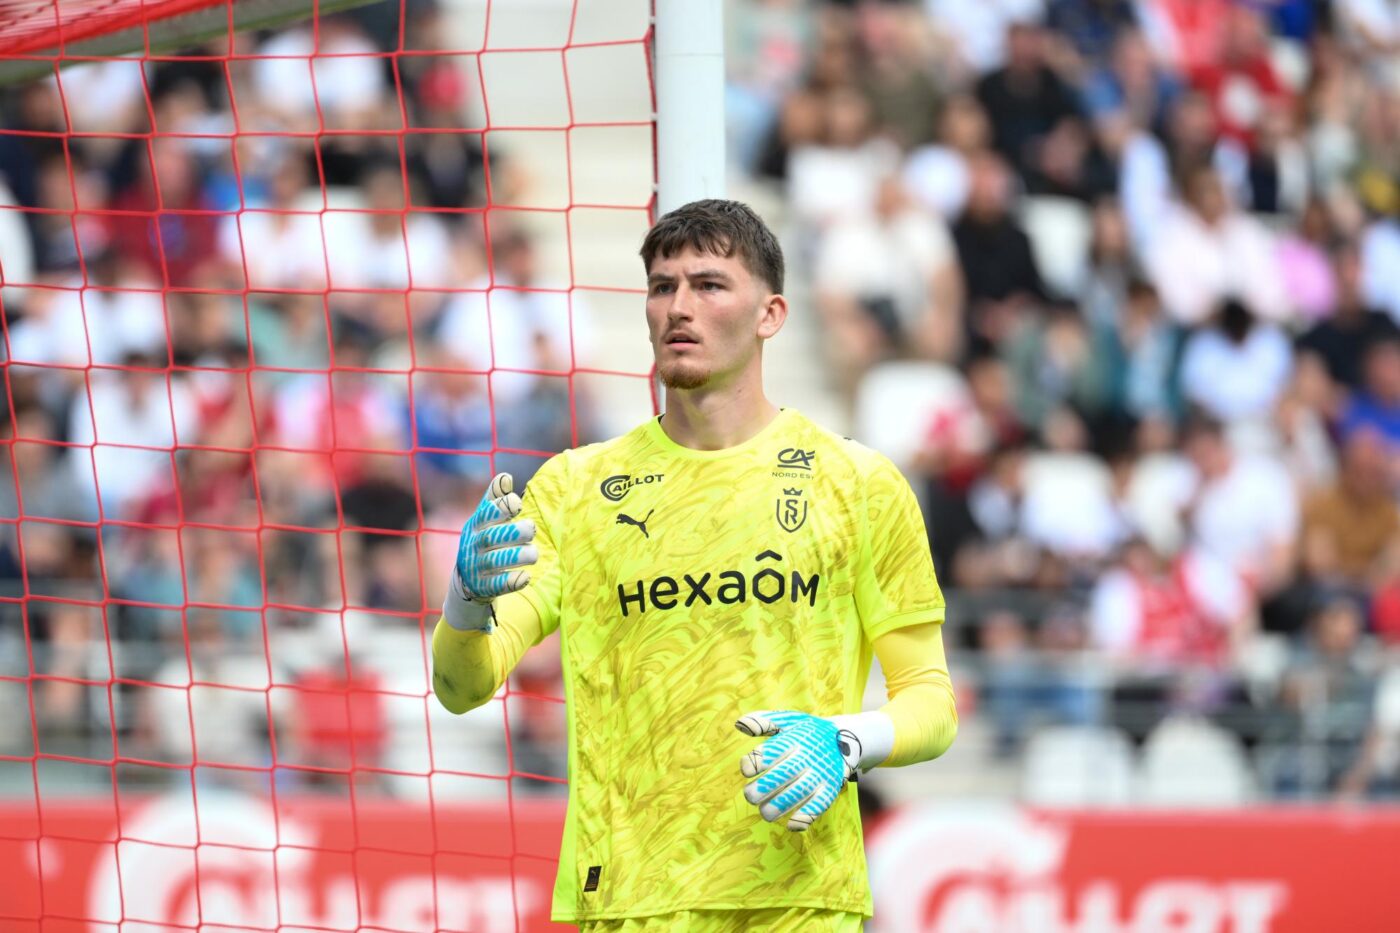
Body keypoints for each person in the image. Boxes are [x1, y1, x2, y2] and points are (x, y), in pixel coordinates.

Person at [430, 200, 958, 930]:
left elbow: (932, 703)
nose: (679, 306)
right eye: (662, 286)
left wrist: (847, 740)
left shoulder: (859, 484)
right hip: (627, 902)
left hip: (797, 900)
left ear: (771, 314)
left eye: (709, 285)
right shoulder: (574, 489)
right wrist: (464, 603)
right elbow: (462, 687)